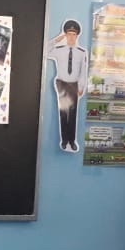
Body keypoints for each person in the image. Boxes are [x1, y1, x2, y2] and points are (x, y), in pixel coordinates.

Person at [47, 19, 88, 152]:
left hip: (73, 85)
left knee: (73, 113)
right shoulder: (59, 50)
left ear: (77, 36)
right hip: (62, 84)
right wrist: (56, 40)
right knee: (63, 112)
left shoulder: (81, 52)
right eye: (69, 34)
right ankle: (64, 140)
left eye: (73, 34)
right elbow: (44, 51)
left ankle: (72, 140)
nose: (71, 37)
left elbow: (83, 71)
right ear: (65, 35)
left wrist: (81, 87)